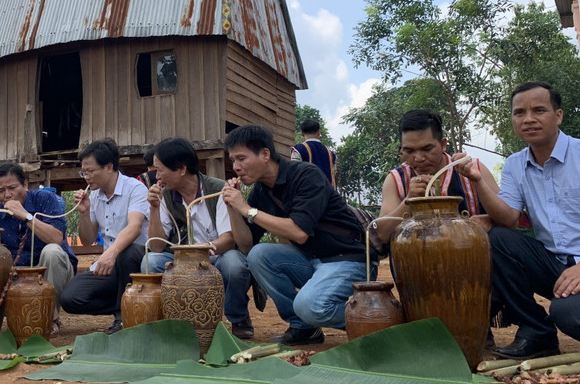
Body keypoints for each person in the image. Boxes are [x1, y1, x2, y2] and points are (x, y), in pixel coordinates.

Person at [456, 82, 580, 362]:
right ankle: (536, 333)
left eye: (539, 110)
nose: (528, 119)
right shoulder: (515, 165)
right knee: (497, 239)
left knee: (572, 314)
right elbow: (508, 219)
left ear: (558, 115)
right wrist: (477, 181)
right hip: (556, 264)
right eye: (519, 113)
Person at [222, 124, 371, 346]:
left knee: (311, 307)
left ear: (265, 154)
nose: (236, 167)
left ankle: (378, 317)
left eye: (241, 158)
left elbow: (298, 233)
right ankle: (304, 327)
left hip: (347, 260)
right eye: (233, 160)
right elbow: (246, 246)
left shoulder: (305, 175)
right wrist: (234, 209)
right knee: (258, 255)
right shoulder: (261, 191)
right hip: (312, 261)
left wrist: (247, 209)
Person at [140, 137, 256, 339]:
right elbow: (157, 247)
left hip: (217, 256)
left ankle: (238, 317)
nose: (157, 177)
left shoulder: (218, 190)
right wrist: (154, 208)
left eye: (160, 170)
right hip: (182, 260)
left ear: (181, 169)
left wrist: (202, 249)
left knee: (234, 265)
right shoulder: (165, 196)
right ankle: (175, 319)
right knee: (151, 261)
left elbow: (228, 240)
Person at [59, 138, 148, 334]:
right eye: (84, 172)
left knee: (128, 253)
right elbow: (88, 239)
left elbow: (135, 228)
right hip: (111, 267)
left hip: (137, 264)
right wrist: (84, 213)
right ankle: (127, 302)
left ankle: (122, 318)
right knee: (70, 298)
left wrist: (111, 253)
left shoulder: (135, 188)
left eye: (90, 171)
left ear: (109, 167)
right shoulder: (95, 196)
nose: (86, 177)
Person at [375, 109, 498, 244]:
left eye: (427, 149)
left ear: (443, 144)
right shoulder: (396, 180)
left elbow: (509, 218)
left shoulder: (472, 170)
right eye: (409, 151)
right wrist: (409, 199)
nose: (419, 158)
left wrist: (490, 219)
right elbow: (383, 235)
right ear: (401, 151)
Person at [0, 163, 78, 337]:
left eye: (12, 188)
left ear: (25, 185)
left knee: (52, 251)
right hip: (17, 277)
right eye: (1, 191)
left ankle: (49, 318)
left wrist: (26, 216)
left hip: (54, 273)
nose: (7, 195)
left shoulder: (45, 199)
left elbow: (56, 238)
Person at [290, 119, 337, 187]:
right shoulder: (331, 153)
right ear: (318, 133)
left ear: (302, 134)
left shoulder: (298, 149)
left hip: (307, 191)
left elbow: (294, 173)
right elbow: (334, 174)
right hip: (328, 192)